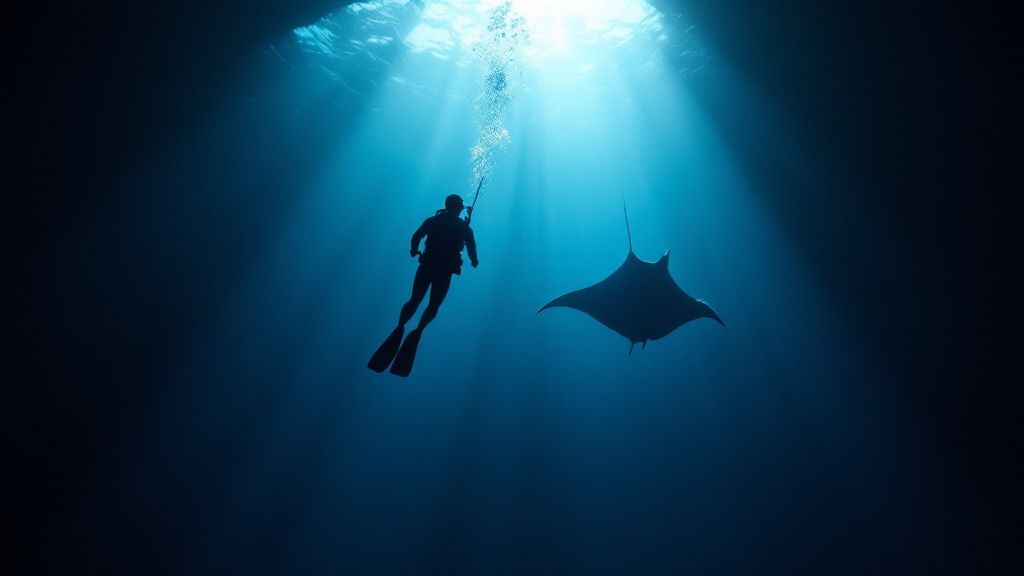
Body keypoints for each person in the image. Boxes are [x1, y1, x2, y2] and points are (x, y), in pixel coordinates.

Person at [398, 194, 478, 333]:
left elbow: (416, 236)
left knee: (415, 299)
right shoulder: (464, 228)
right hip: (445, 270)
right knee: (434, 305)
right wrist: (473, 260)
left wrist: (414, 250)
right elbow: (471, 245)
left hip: (427, 264)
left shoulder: (433, 221)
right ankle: (419, 330)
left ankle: (400, 326)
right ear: (458, 208)